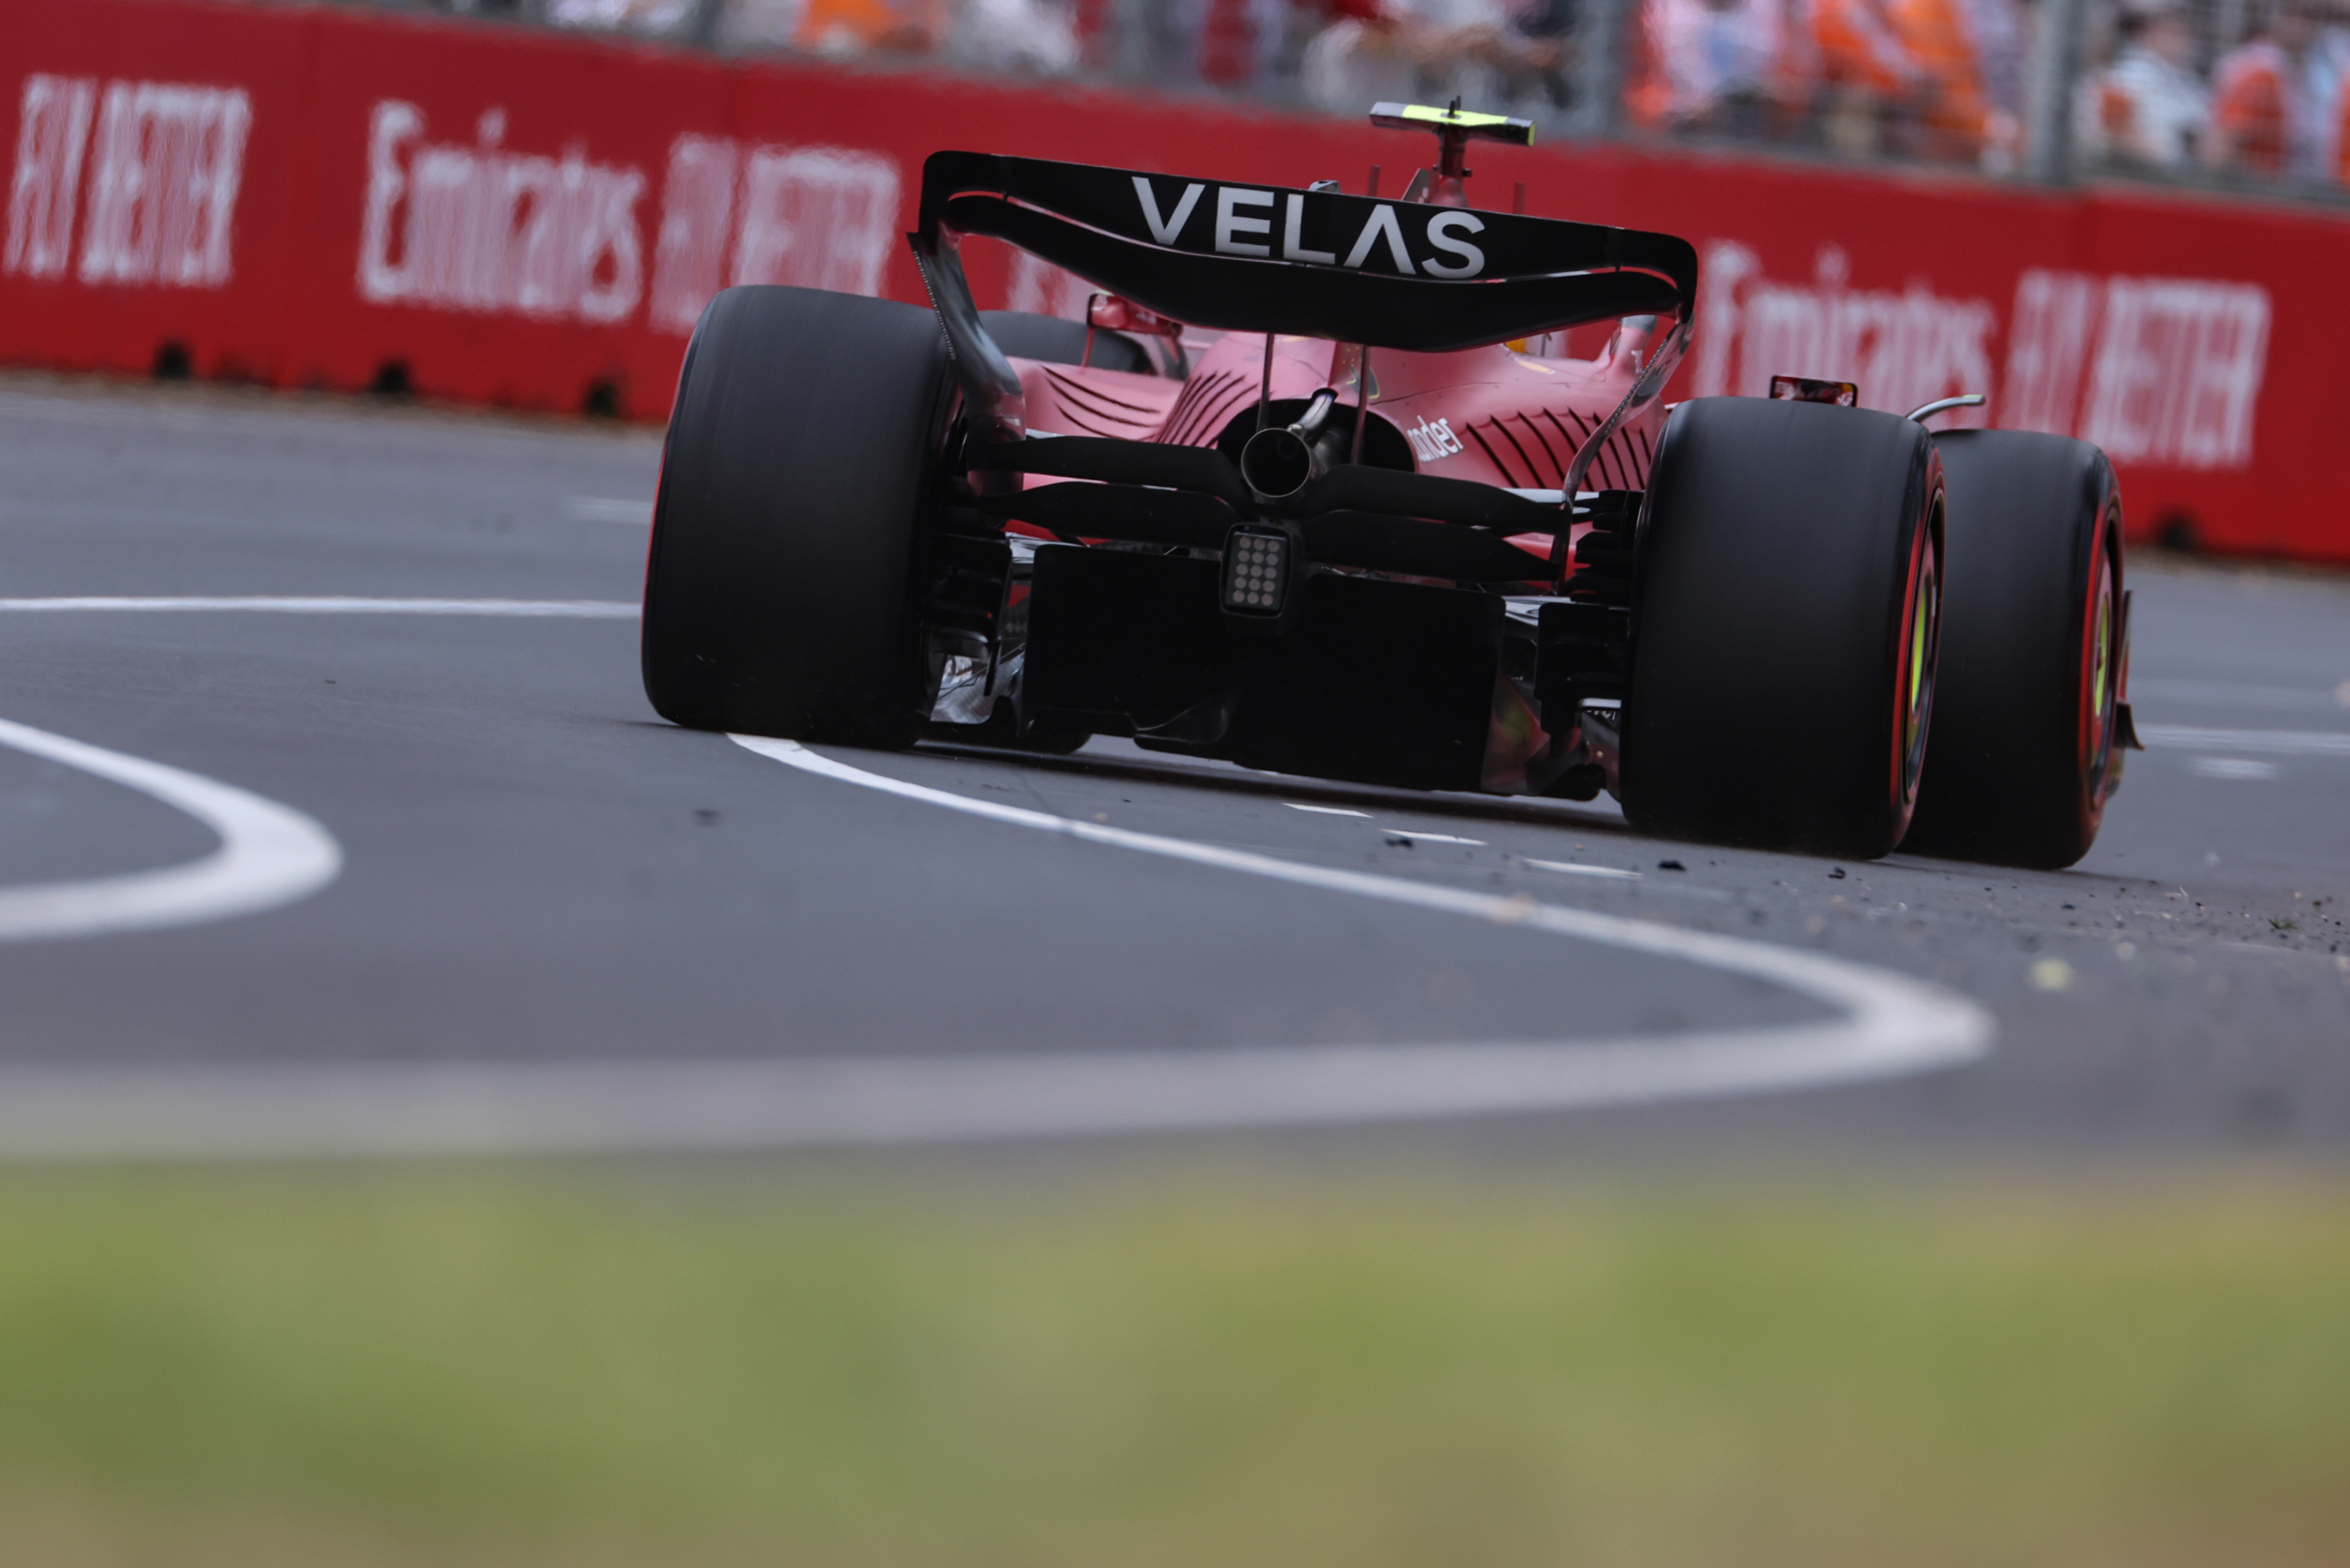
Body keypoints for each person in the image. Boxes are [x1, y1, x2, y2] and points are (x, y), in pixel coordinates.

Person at [2207, 0, 2326, 179]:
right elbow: (2224, 143)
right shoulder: (2260, 69)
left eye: (2311, 18)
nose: (2302, 26)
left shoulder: (2312, 72)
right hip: (2254, 187)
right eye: (2295, 16)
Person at [2084, 2, 2210, 166]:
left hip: (2187, 170)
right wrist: (2165, 160)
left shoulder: (2188, 79)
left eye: (2182, 32)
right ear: (2148, 32)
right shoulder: (2129, 73)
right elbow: (2117, 132)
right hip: (2143, 171)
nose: (2180, 39)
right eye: (2169, 31)